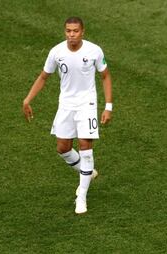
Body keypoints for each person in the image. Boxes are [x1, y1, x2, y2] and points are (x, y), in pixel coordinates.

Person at [22, 17, 113, 214]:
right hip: (66, 105)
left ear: (83, 32)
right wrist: (27, 100)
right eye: (68, 31)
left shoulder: (94, 51)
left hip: (87, 104)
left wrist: (108, 106)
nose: (71, 34)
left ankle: (81, 196)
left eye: (75, 31)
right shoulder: (56, 52)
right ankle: (87, 173)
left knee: (85, 146)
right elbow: (44, 77)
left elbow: (105, 75)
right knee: (63, 148)